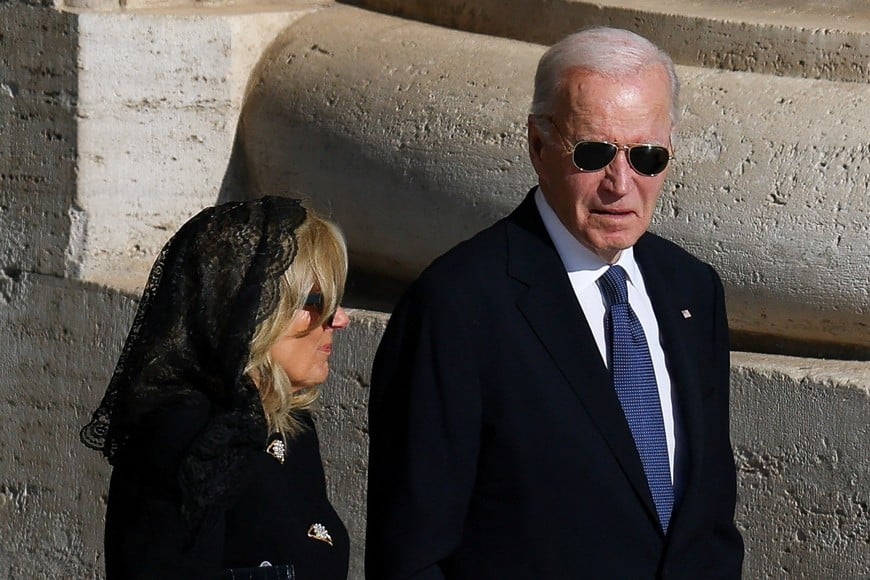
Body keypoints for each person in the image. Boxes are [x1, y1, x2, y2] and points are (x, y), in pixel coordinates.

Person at [365, 27, 744, 579]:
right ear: (538, 146)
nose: (621, 183)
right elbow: (413, 554)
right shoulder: (457, 305)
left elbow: (706, 520)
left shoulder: (691, 289)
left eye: (647, 156)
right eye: (594, 154)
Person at [81, 196, 351, 579]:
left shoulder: (286, 421)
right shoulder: (190, 435)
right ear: (255, 308)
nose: (339, 319)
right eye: (317, 302)